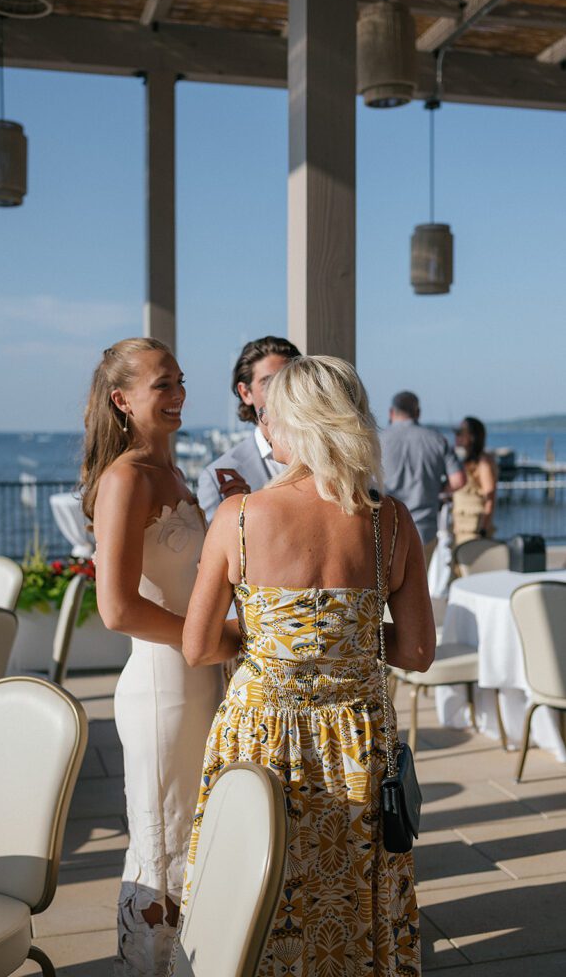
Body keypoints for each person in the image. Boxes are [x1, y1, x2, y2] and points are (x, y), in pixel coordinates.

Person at [173, 356, 435, 977]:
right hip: (356, 738)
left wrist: (277, 639)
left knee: (256, 895)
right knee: (352, 890)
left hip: (261, 733)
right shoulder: (392, 522)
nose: (264, 428)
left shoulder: (239, 517)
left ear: (293, 423)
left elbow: (198, 646)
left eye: (270, 416)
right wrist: (346, 637)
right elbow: (417, 652)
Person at [81, 338, 235, 977]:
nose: (177, 395)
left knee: (198, 841)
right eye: (161, 385)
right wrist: (215, 639)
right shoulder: (126, 479)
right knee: (164, 849)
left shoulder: (173, 475)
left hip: (203, 682)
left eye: (179, 381)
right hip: (162, 691)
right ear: (122, 400)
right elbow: (117, 609)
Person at [197, 335, 301, 522]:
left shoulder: (325, 457)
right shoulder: (219, 476)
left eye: (286, 380)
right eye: (269, 382)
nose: (280, 391)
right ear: (245, 393)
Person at [380, 390, 465, 568]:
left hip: (384, 527)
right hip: (423, 529)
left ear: (391, 412)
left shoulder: (377, 439)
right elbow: (458, 480)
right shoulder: (437, 440)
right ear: (417, 412)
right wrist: (436, 489)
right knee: (419, 581)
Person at [452, 416, 498, 545]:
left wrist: (484, 528)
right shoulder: (466, 462)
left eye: (460, 433)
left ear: (472, 437)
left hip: (474, 528)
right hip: (460, 527)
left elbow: (490, 496)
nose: (456, 437)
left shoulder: (483, 463)